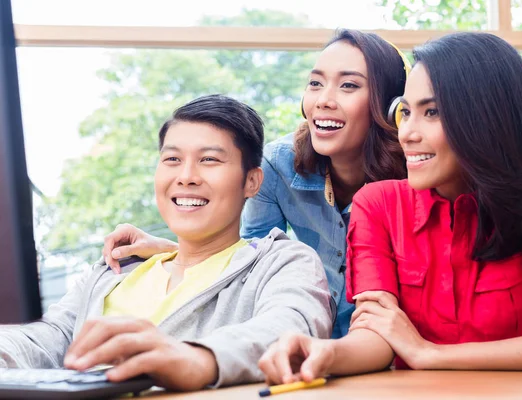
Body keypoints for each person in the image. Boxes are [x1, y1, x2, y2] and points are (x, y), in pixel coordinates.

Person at [258, 32, 522, 384]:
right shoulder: (377, 204)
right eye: (406, 112)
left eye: (432, 112)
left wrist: (432, 355)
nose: (407, 133)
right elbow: (377, 334)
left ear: (487, 119)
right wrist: (326, 352)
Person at [0, 95, 332, 390]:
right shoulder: (113, 271)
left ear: (251, 181)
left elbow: (291, 329)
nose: (186, 176)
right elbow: (43, 338)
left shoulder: (282, 263)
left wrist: (196, 358)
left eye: (209, 160)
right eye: (172, 159)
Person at [100, 29, 411, 339]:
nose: (323, 100)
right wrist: (174, 251)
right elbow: (250, 265)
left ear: (392, 106)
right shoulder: (277, 164)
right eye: (315, 83)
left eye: (348, 85)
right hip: (307, 348)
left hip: (394, 349)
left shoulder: (416, 176)